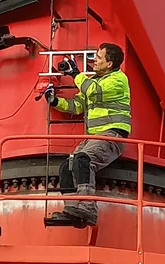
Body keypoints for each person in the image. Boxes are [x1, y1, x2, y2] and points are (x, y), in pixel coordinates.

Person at [43, 42, 132, 226]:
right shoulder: (94, 81)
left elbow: (93, 91)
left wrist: (76, 74)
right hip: (95, 137)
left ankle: (88, 208)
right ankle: (72, 209)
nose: (94, 60)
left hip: (112, 134)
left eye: (98, 57)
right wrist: (54, 101)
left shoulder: (118, 80)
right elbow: (77, 106)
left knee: (83, 160)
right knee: (67, 166)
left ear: (109, 63)